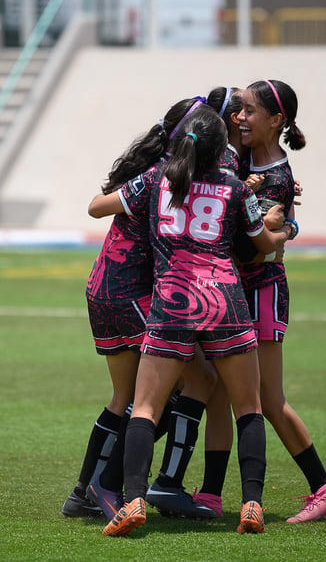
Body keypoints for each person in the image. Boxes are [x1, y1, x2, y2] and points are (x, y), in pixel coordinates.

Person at [89, 104, 295, 536]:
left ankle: (133, 501)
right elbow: (261, 241)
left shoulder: (153, 180)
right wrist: (285, 228)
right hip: (225, 302)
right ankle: (251, 504)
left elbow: (97, 208)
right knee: (248, 407)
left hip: (171, 303)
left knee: (145, 406)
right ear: (223, 149)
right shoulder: (236, 189)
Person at [62, 96, 217, 520]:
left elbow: (100, 206)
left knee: (127, 396)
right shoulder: (166, 176)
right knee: (196, 381)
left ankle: (84, 492)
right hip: (132, 293)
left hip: (105, 287)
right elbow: (97, 206)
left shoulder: (163, 170)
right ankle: (153, 485)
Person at [235, 78, 326, 523]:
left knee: (268, 398)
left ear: (277, 120)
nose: (240, 117)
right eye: (238, 109)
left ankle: (324, 488)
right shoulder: (246, 160)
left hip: (262, 289)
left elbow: (255, 243)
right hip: (239, 290)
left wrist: (280, 230)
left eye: (249, 111)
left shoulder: (276, 177)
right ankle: (197, 491)